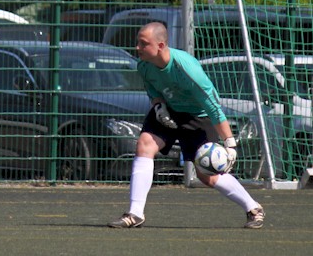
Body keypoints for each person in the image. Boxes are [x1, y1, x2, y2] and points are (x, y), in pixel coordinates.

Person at [108, 22, 265, 229]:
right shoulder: (144, 65)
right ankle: (135, 213)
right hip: (169, 110)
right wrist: (158, 106)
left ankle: (253, 208)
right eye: (138, 42)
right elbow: (153, 90)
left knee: (207, 176)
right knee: (144, 144)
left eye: (143, 43)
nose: (137, 47)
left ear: (161, 45)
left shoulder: (187, 68)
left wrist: (230, 144)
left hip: (198, 117)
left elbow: (213, 108)